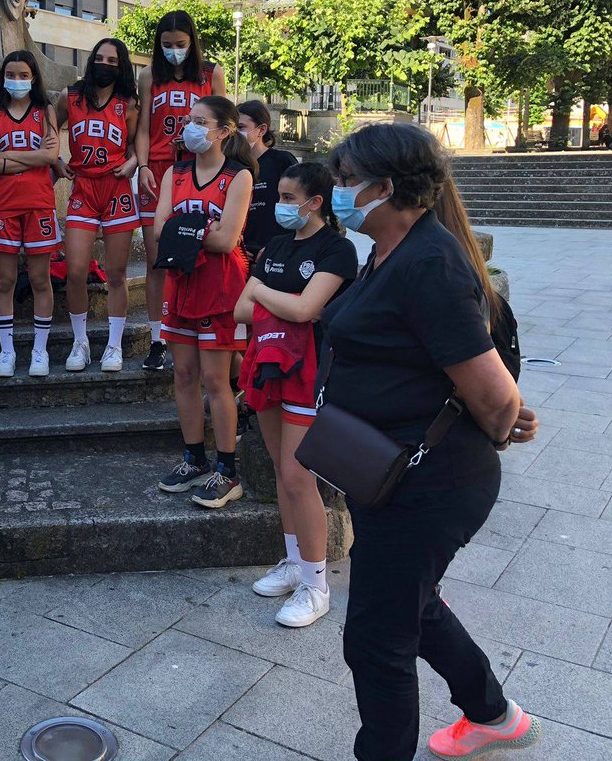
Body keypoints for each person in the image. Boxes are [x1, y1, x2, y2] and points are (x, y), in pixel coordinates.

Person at [321, 123, 542, 760]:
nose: (336, 192)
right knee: (412, 608)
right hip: (387, 471)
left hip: (428, 482)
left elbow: (496, 396)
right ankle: (494, 715)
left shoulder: (430, 263)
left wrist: (499, 424)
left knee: (375, 638)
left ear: (385, 188)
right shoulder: (391, 249)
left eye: (344, 182)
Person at [234, 162, 358, 627]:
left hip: (310, 371)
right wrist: (269, 296)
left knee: (297, 475)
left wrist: (264, 292)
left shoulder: (337, 250)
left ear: (315, 203)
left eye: (288, 197)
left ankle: (316, 584)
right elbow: (239, 309)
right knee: (281, 472)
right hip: (269, 366)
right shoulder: (275, 247)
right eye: (280, 196)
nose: (280, 205)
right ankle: (294, 562)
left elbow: (310, 309)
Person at [154, 96, 253, 508]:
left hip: (220, 287)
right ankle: (193, 457)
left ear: (223, 131)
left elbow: (227, 240)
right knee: (183, 375)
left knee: (216, 382)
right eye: (188, 119)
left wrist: (184, 230)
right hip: (181, 283)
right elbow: (159, 230)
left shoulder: (239, 177)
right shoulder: (174, 173)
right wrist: (197, 231)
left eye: (200, 121)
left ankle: (227, 470)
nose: (190, 126)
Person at [134, 10, 225, 371]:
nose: (174, 51)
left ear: (193, 43)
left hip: (198, 168)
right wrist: (141, 166)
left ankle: (197, 330)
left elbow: (225, 124)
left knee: (200, 255)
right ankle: (158, 340)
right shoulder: (148, 76)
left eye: (181, 45)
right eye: (167, 45)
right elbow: (143, 127)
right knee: (158, 259)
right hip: (157, 169)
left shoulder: (210, 74)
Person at [54, 37, 141, 373]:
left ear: (121, 67)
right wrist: (56, 161)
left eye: (113, 60)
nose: (105, 64)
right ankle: (81, 342)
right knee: (75, 271)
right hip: (84, 188)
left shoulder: (128, 104)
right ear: (91, 60)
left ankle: (114, 345)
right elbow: (50, 127)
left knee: (117, 274)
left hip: (117, 188)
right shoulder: (70, 96)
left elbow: (135, 145)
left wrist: (133, 163)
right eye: (100, 58)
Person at [0, 50, 64, 378]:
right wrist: (36, 156)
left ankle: (40, 350)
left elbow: (53, 156)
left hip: (39, 205)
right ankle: (7, 351)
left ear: (34, 78)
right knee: (4, 280)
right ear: (3, 78)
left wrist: (9, 158)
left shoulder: (46, 112)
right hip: (3, 205)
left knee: (39, 279)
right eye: (11, 75)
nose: (17, 81)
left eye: (23, 75)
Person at [238, 101, 297, 262]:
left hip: (276, 252)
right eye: (233, 128)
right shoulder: (233, 165)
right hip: (242, 255)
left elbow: (300, 205)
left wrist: (280, 245)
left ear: (262, 129)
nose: (236, 133)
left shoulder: (281, 160)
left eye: (241, 127)